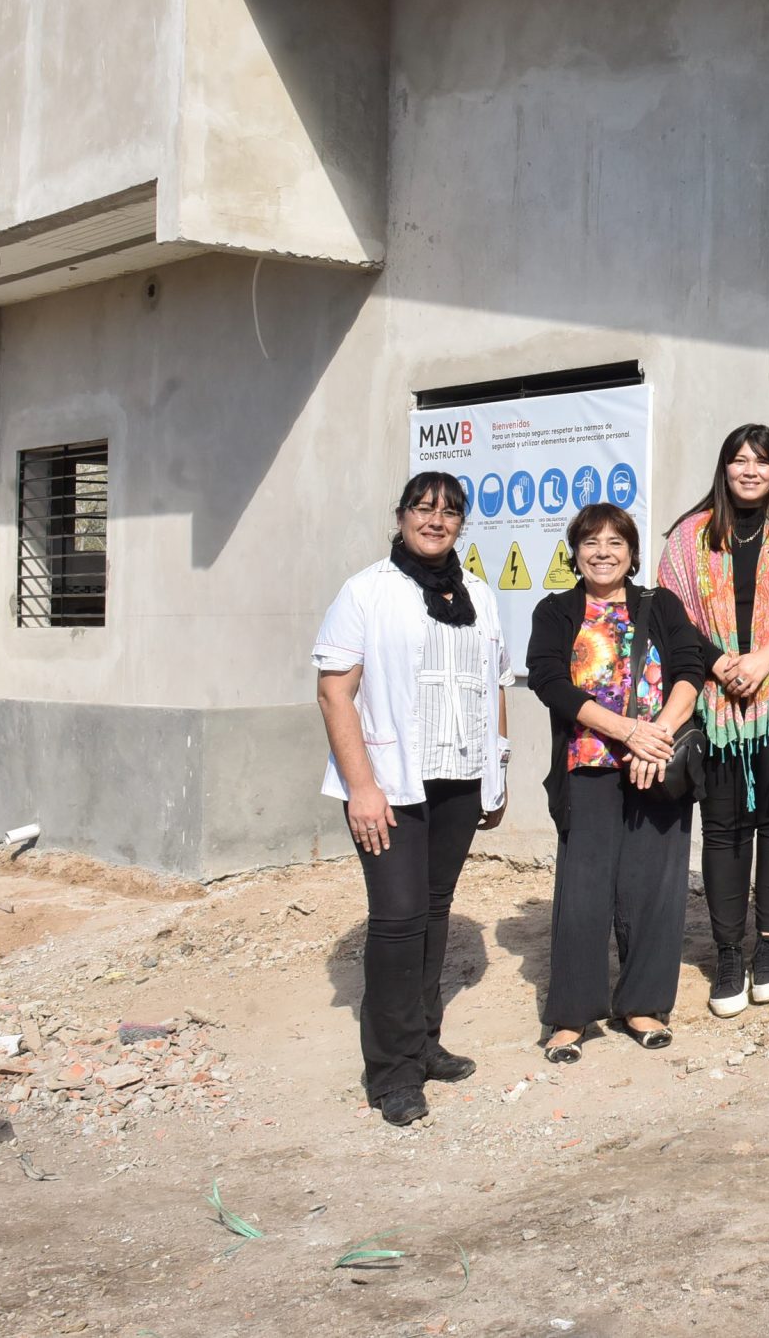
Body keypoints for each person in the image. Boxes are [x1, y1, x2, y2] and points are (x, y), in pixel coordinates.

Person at [312, 472, 509, 1127]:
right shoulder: (366, 591)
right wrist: (362, 786)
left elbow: (494, 683)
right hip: (390, 783)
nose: (436, 519)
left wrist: (496, 772)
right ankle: (391, 1070)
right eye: (424, 507)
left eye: (450, 511)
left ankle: (424, 1042)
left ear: (461, 524)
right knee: (398, 918)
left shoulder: (479, 593)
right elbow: (334, 692)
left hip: (458, 779)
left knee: (433, 909)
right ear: (400, 516)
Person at [657, 425, 769, 1019]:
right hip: (715, 698)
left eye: (761, 462)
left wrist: (766, 657)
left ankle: (768, 948)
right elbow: (670, 615)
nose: (750, 470)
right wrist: (719, 664)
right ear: (724, 468)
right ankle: (728, 953)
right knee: (725, 826)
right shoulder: (689, 537)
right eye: (739, 460)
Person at [525, 503, 715, 1061]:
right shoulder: (556, 611)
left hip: (659, 762)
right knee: (582, 892)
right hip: (588, 763)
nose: (602, 552)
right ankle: (571, 1017)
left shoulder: (661, 604)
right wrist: (626, 731)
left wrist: (657, 736)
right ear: (575, 552)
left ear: (631, 553)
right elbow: (549, 681)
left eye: (615, 542)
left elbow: (690, 670)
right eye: (591, 542)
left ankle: (643, 1005)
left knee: (655, 887)